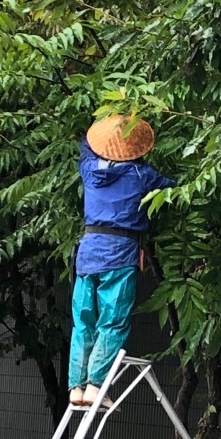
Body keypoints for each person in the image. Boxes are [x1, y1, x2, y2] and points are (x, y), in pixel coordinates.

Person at [68, 114, 172, 408]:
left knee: (83, 320)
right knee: (112, 321)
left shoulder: (89, 170)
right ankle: (96, 386)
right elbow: (174, 189)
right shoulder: (142, 175)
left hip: (88, 252)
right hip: (120, 251)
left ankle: (76, 388)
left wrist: (108, 127)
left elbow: (85, 146)